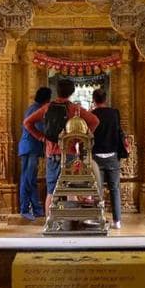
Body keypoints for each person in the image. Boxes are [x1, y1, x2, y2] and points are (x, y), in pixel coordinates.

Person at [23, 78, 99, 216]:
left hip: (51, 154)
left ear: (57, 91)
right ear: (71, 92)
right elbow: (95, 121)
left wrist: (41, 137)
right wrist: (82, 139)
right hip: (69, 153)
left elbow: (27, 123)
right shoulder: (74, 109)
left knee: (51, 191)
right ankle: (70, 222)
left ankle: (49, 223)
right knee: (70, 189)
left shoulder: (47, 108)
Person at [90, 89, 129, 229]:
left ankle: (99, 219)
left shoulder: (91, 115)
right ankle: (117, 221)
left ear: (94, 99)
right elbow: (119, 132)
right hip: (112, 155)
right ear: (105, 99)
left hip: (96, 156)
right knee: (114, 189)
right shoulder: (114, 113)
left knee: (97, 189)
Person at [17, 85, 51, 221]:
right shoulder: (37, 110)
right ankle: (25, 209)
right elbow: (40, 128)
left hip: (29, 148)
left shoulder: (33, 108)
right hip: (30, 148)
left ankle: (36, 209)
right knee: (28, 179)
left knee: (30, 179)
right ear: (46, 99)